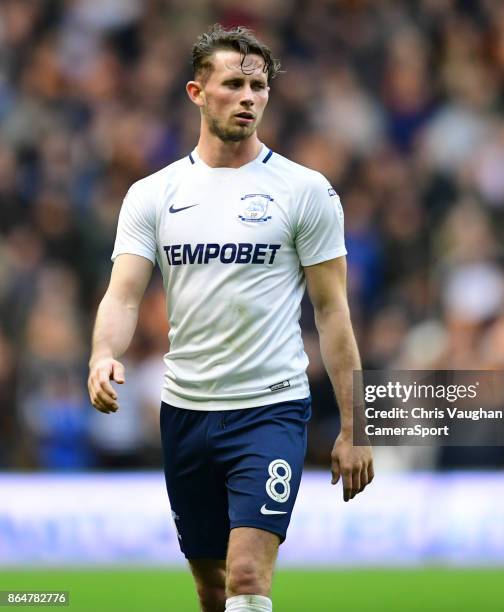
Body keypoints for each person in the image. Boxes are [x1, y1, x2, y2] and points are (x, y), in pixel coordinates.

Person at [87, 24, 374, 612]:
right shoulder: (153, 194)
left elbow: (333, 312)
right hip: (186, 409)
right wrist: (101, 354)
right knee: (210, 585)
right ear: (197, 92)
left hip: (269, 407)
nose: (249, 97)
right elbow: (122, 295)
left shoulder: (304, 191)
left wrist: (353, 427)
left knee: (246, 575)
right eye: (234, 84)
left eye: (258, 86)